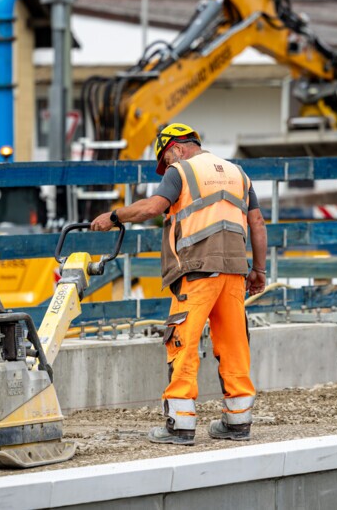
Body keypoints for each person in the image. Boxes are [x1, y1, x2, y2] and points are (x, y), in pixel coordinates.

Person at [91, 123, 267, 445]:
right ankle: (238, 421)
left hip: (197, 271)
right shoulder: (238, 173)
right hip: (234, 273)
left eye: (167, 158)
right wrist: (258, 269)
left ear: (177, 148)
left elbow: (153, 208)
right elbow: (256, 221)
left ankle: (180, 425)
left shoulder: (181, 171)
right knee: (234, 346)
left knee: (182, 344)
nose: (167, 166)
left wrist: (114, 216)